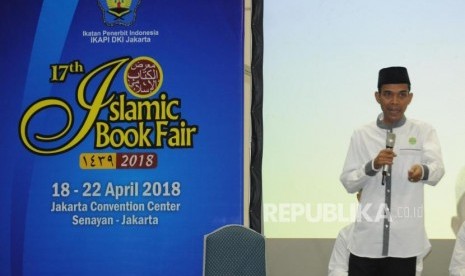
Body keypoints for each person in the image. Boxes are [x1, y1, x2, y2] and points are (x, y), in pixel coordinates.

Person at [339, 66, 445, 275]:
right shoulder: (362, 134)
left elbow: (438, 170)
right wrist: (372, 166)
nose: (394, 102)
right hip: (366, 243)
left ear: (410, 98)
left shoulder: (423, 131)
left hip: (404, 245)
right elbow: (348, 182)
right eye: (388, 94)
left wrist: (422, 171)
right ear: (377, 97)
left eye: (401, 95)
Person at [328, 192, 431, 276]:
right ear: (359, 198)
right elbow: (337, 270)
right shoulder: (346, 234)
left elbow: (416, 266)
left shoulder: (409, 231)